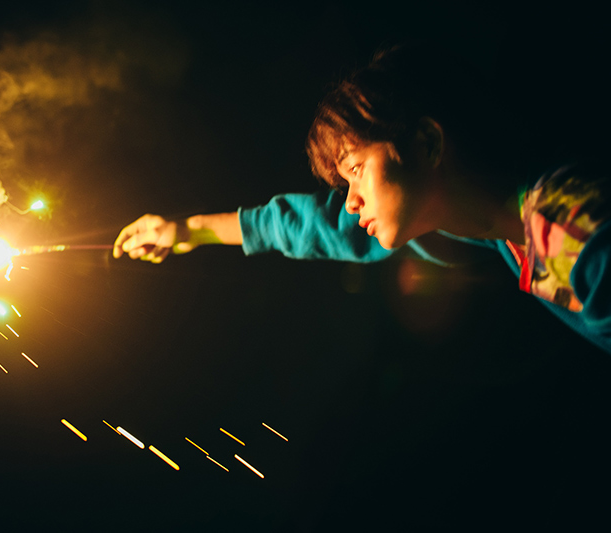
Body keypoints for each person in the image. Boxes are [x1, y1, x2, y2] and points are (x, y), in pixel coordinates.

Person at [112, 43, 611, 354]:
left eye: (354, 171)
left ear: (428, 144)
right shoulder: (492, 224)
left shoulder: (573, 228)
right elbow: (328, 227)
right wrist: (187, 231)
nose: (349, 201)